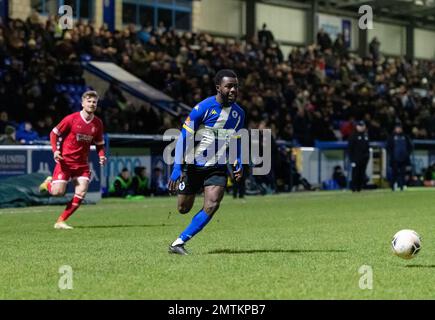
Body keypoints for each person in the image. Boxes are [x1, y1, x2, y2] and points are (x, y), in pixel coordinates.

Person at [167, 69, 245, 255]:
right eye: (229, 86)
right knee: (183, 208)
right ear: (219, 88)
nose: (233, 90)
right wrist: (177, 167)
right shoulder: (202, 108)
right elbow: (183, 138)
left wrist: (238, 161)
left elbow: (234, 140)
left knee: (212, 204)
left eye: (236, 86)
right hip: (194, 165)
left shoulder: (239, 114)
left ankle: (178, 243)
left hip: (217, 167)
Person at [39, 91, 106, 229]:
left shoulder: (98, 123)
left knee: (81, 192)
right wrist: (55, 150)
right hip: (65, 161)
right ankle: (48, 184)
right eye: (89, 101)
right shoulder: (71, 119)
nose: (92, 104)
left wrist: (101, 156)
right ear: (82, 103)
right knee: (58, 193)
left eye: (94, 102)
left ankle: (60, 221)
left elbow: (99, 143)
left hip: (82, 164)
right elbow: (54, 133)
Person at [386, 123, 413, 191]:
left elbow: (410, 146)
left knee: (403, 173)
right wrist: (392, 155)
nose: (398, 129)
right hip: (394, 159)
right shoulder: (391, 137)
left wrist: (407, 154)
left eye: (400, 128)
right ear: (395, 129)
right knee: (394, 173)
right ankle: (394, 185)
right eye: (397, 128)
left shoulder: (405, 136)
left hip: (403, 159)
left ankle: (402, 185)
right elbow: (388, 147)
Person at [348, 120, 370, 192]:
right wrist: (352, 160)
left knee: (362, 173)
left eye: (363, 126)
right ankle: (354, 188)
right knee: (355, 174)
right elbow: (350, 149)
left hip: (364, 159)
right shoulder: (353, 136)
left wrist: (367, 156)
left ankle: (359, 188)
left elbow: (367, 147)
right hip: (356, 159)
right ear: (357, 127)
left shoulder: (366, 135)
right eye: (360, 126)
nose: (362, 127)